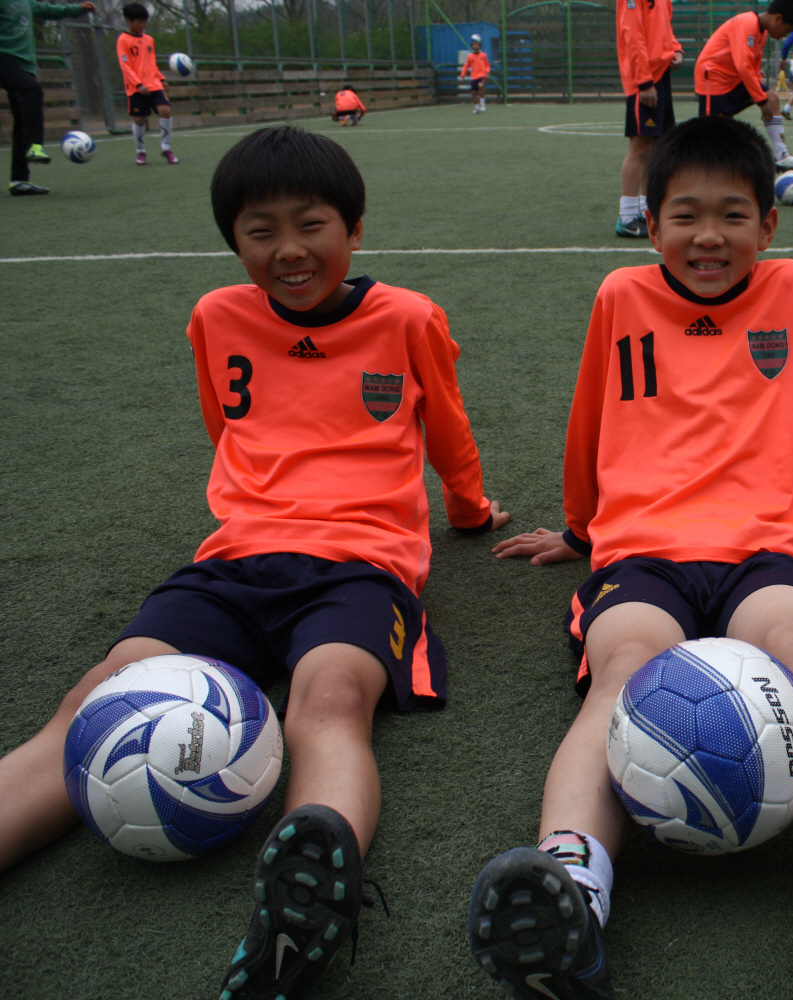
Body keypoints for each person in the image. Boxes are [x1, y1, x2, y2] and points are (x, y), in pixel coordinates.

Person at [0, 124, 510, 999]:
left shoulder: (407, 317)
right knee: (101, 692)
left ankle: (310, 895)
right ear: (233, 240)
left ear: (351, 228)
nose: (288, 250)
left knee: (330, 699)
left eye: (309, 224)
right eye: (259, 230)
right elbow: (227, 426)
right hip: (236, 557)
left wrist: (469, 511)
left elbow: (449, 432)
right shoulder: (217, 316)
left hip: (362, 562)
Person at [470, 115, 793, 1000]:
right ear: (649, 225)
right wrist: (580, 532)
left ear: (770, 226)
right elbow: (590, 422)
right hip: (643, 550)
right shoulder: (619, 297)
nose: (709, 236)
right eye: (685, 215)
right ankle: (569, 885)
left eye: (734, 214)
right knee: (622, 671)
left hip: (767, 547)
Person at [694, 0, 793, 171]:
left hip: (735, 81)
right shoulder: (746, 24)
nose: (784, 36)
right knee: (712, 138)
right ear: (777, 19)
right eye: (787, 31)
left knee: (771, 97)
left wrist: (761, 91)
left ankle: (782, 156)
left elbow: (753, 68)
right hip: (714, 82)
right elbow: (743, 66)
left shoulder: (762, 33)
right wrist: (760, 101)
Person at [0, 0, 96, 195]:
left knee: (21, 120)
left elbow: (49, 10)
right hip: (3, 58)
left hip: (24, 64)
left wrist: (77, 9)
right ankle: (35, 145)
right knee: (32, 90)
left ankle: (19, 180)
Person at [614, 0, 682, 238]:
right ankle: (627, 217)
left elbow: (665, 29)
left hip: (661, 75)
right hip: (644, 80)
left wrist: (676, 50)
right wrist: (644, 82)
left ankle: (646, 212)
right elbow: (632, 34)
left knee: (655, 146)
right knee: (640, 145)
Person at [117, 2, 176, 164]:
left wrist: (161, 79)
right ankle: (140, 151)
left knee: (165, 110)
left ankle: (166, 147)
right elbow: (125, 66)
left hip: (154, 84)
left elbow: (151, 64)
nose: (143, 25)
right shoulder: (123, 40)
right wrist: (138, 84)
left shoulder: (149, 40)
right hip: (136, 88)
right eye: (139, 22)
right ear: (129, 20)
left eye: (145, 21)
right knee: (139, 119)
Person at [462, 34, 491, 114]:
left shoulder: (483, 55)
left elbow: (487, 65)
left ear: (479, 46)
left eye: (477, 45)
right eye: (474, 45)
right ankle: (476, 108)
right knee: (473, 93)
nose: (476, 46)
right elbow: (466, 66)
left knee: (481, 85)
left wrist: (487, 72)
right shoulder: (470, 56)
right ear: (472, 46)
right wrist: (462, 75)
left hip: (481, 75)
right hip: (474, 77)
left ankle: (482, 103)